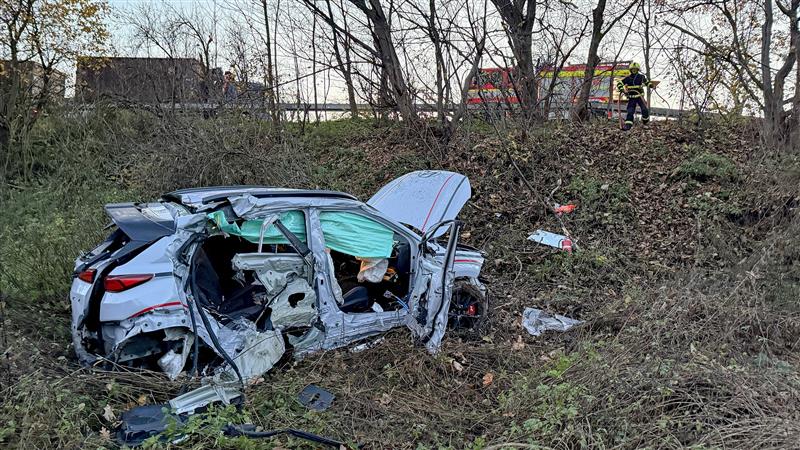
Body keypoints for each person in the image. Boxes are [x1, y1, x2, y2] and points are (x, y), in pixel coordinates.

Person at [616, 62, 655, 130]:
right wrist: (622, 90)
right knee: (630, 111)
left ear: (637, 70)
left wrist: (651, 85)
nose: (634, 70)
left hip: (640, 97)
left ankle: (645, 122)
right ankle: (628, 125)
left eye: (635, 69)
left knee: (644, 109)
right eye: (633, 69)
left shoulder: (641, 77)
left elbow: (647, 82)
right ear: (630, 70)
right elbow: (619, 83)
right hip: (632, 98)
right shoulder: (628, 78)